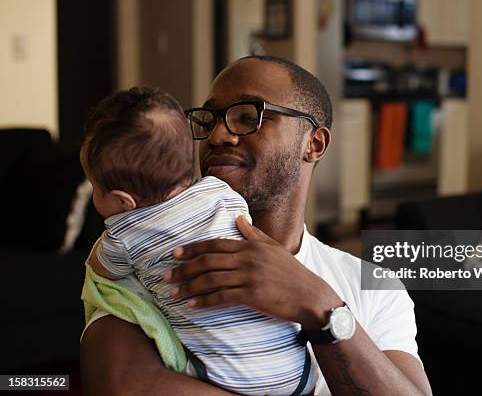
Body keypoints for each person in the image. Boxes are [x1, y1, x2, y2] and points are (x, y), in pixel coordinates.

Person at [80, 55, 432, 396]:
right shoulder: (151, 257)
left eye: (248, 117)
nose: (217, 136)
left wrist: (320, 306)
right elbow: (123, 387)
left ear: (314, 143)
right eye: (209, 119)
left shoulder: (371, 286)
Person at [80, 86, 315, 395]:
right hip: (299, 372)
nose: (220, 136)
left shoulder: (125, 236)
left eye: (95, 188)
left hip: (232, 381)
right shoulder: (222, 194)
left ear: (124, 201)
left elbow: (102, 273)